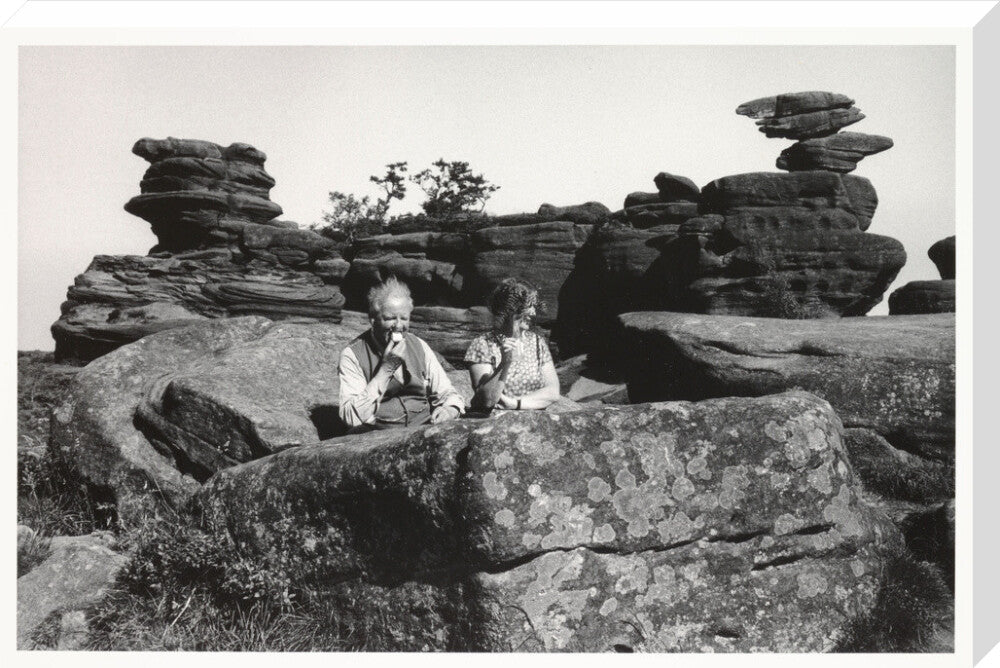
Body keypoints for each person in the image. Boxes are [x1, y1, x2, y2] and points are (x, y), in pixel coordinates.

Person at [339, 277, 464, 431]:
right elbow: (351, 417)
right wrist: (386, 369)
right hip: (377, 434)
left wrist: (450, 410)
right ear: (373, 320)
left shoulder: (419, 345)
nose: (398, 326)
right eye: (390, 318)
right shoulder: (353, 354)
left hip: (423, 429)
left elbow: (448, 393)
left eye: (404, 318)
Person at [464, 278, 562, 412]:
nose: (533, 313)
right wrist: (505, 363)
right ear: (510, 309)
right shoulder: (483, 344)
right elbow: (486, 400)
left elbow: (553, 392)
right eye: (529, 306)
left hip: (533, 419)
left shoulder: (537, 342)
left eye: (534, 306)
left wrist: (514, 404)